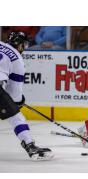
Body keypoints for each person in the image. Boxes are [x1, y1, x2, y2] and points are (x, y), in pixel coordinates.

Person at [0, 32, 54, 160]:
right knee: (16, 118)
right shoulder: (16, 58)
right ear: (19, 44)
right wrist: (18, 102)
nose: (24, 47)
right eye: (24, 44)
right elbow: (14, 93)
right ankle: (31, 147)